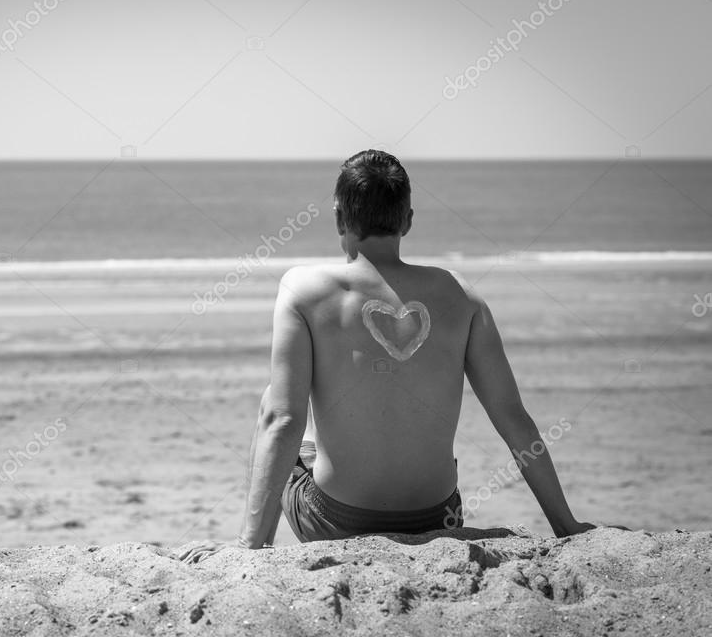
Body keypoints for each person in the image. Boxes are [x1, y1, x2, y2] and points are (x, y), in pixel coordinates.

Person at [180, 150, 602, 563]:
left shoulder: (303, 289)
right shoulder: (461, 295)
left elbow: (284, 420)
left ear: (338, 216)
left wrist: (243, 549)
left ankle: (256, 546)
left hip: (333, 521)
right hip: (441, 519)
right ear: (408, 220)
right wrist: (565, 525)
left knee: (275, 398)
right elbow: (513, 417)